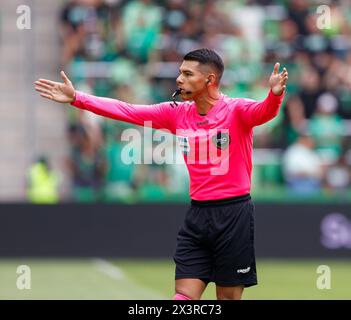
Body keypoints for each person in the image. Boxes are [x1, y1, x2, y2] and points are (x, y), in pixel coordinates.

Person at [34, 48, 288, 300]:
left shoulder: (236, 110)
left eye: (188, 74)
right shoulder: (176, 113)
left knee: (228, 298)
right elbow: (127, 110)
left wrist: (275, 96)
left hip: (234, 215)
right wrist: (77, 97)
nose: (179, 79)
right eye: (180, 73)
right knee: (183, 296)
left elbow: (265, 111)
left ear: (209, 80)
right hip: (198, 215)